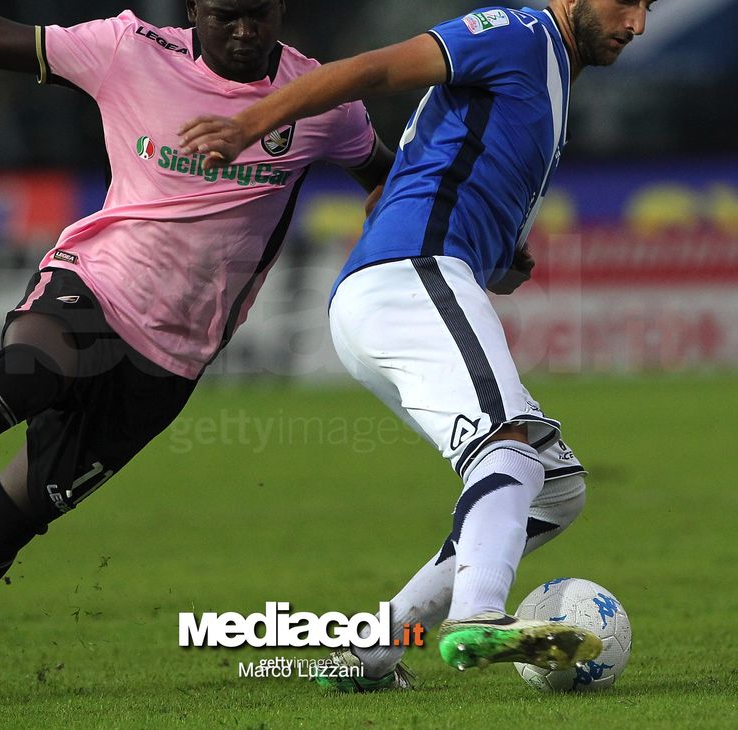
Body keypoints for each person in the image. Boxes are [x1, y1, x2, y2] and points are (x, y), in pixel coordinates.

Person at [0, 0, 395, 710]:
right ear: (193, 10)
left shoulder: (319, 99)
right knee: (18, 381)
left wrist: (398, 209)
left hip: (169, 364)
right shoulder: (128, 51)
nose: (246, 31)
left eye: (259, 15)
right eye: (227, 16)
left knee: (0, 532)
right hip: (95, 288)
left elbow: (381, 170)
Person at [180, 0, 659, 687]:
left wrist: (504, 261)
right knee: (509, 451)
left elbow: (434, 183)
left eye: (649, 8)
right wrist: (246, 125)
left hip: (400, 289)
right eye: (626, 2)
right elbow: (374, 68)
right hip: (409, 279)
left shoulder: (549, 80)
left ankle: (371, 652)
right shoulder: (520, 35)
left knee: (554, 487)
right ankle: (479, 616)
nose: (637, 23)